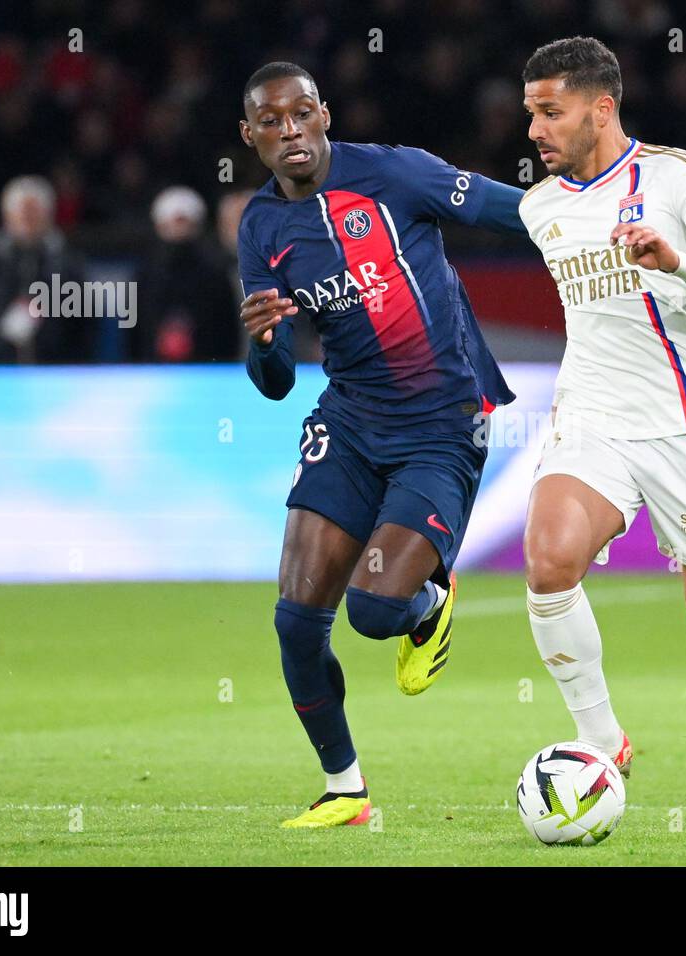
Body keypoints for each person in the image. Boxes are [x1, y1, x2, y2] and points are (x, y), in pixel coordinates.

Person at [518, 37, 686, 837]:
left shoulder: (678, 177)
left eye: (550, 111)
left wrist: (676, 260)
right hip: (592, 415)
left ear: (600, 108)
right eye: (530, 112)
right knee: (548, 562)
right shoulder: (542, 208)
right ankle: (603, 743)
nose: (535, 130)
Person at [237, 62, 528, 829]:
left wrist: (601, 228)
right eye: (272, 121)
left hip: (440, 421)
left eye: (302, 113)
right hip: (353, 422)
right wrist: (267, 338)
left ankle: (428, 603)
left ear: (325, 115)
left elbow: (515, 212)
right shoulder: (261, 227)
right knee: (296, 622)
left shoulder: (397, 175)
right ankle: (345, 791)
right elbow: (271, 379)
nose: (290, 130)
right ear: (251, 136)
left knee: (372, 610)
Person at [0, 175, 89, 363]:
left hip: (55, 377)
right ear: (8, 217)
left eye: (34, 212)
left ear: (48, 215)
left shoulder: (68, 267)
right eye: (22, 212)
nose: (28, 219)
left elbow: (86, 328)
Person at [130, 186, 241, 362]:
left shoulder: (214, 274)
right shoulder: (145, 274)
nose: (179, 231)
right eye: (173, 223)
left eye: (185, 223)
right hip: (153, 370)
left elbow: (227, 331)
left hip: (205, 369)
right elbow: (134, 334)